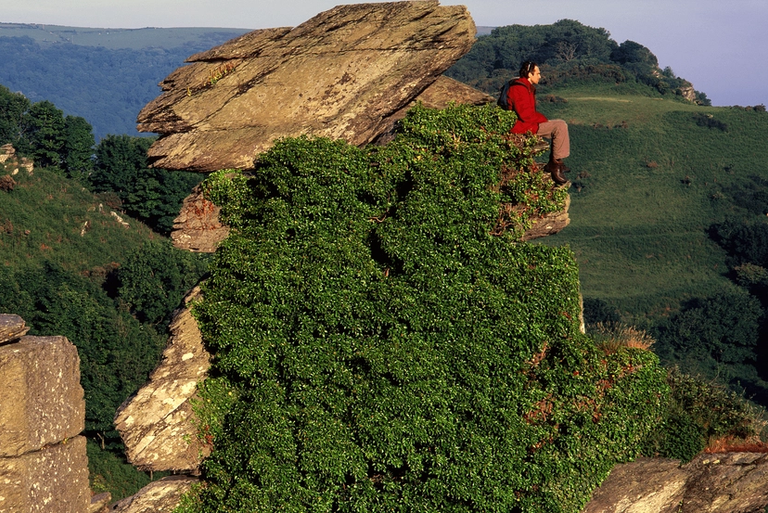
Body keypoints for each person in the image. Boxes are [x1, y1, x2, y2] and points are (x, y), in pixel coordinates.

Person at [507, 61, 571, 185]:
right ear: (529, 74)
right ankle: (555, 165)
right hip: (522, 126)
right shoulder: (519, 88)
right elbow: (525, 115)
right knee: (560, 126)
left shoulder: (526, 87)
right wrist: (543, 119)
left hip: (527, 124)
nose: (540, 76)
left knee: (560, 124)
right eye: (538, 73)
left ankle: (557, 163)